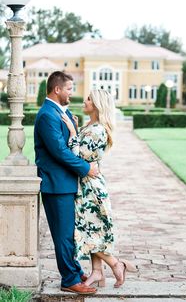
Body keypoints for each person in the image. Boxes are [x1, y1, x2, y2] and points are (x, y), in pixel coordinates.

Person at [62, 89, 135, 289]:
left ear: (96, 104)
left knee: (87, 230)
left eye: (88, 99)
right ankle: (97, 273)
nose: (84, 101)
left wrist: (71, 131)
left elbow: (77, 157)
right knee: (94, 228)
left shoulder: (97, 130)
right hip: (87, 183)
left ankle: (115, 264)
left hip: (90, 187)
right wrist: (77, 128)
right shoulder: (92, 125)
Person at [34, 71, 97, 295]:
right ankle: (69, 279)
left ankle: (75, 269)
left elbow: (69, 144)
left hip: (65, 182)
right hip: (56, 183)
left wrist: (74, 128)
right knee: (63, 234)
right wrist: (86, 168)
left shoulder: (62, 112)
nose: (72, 93)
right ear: (57, 89)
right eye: (69, 89)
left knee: (69, 233)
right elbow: (59, 151)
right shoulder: (47, 116)